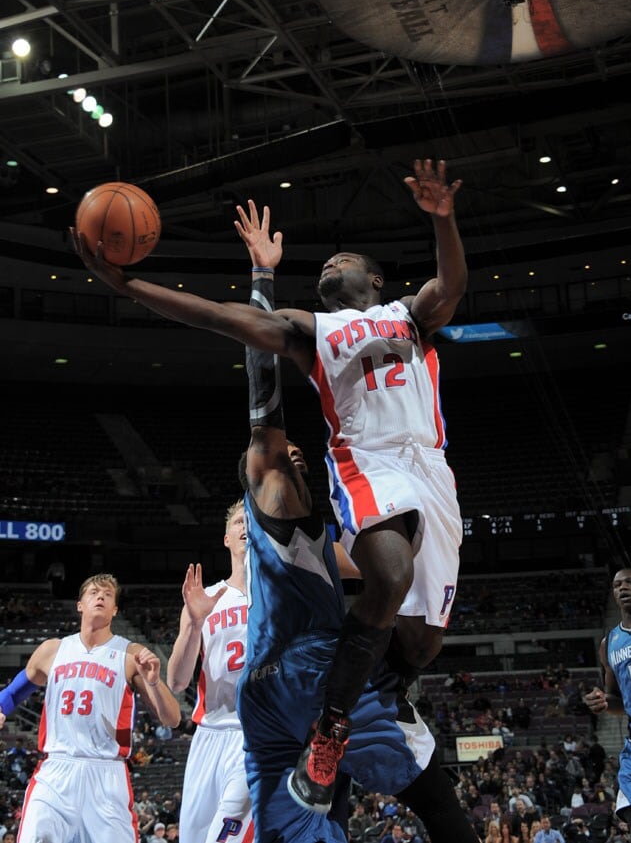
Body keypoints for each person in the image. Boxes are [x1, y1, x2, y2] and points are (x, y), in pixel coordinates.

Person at [71, 156, 467, 811]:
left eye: (343, 259)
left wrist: (443, 221)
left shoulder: (410, 315)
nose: (328, 265)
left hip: (432, 469)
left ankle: (371, 693)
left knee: (423, 641)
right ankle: (331, 732)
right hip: (368, 461)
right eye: (323, 266)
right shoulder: (315, 330)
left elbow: (451, 284)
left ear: (375, 279)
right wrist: (128, 286)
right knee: (389, 575)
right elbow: (220, 317)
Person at [228, 208, 479, 843]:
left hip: (278, 691)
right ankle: (356, 716)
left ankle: (362, 714)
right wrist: (261, 274)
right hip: (304, 674)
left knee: (308, 829)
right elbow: (264, 396)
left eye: (296, 455)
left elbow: (386, 586)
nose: (295, 456)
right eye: (286, 457)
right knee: (441, 808)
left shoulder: (337, 537)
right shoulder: (275, 504)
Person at [0, 573, 180, 843]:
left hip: (106, 774)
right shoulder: (52, 650)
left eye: (108, 595)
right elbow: (14, 693)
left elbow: (173, 719)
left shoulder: (131, 654)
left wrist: (153, 683)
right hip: (57, 771)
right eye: (94, 592)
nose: (101, 597)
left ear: (115, 609)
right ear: (80, 604)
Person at [166, 499, 252, 843]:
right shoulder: (207, 597)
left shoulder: (283, 596)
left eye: (252, 521)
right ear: (227, 538)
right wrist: (194, 624)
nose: (245, 527)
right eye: (238, 522)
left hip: (257, 736)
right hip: (209, 734)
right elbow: (176, 681)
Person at [584, 567, 631, 843]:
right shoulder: (609, 642)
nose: (622, 588)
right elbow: (617, 701)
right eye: (616, 585)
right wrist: (602, 702)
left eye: (630, 582)